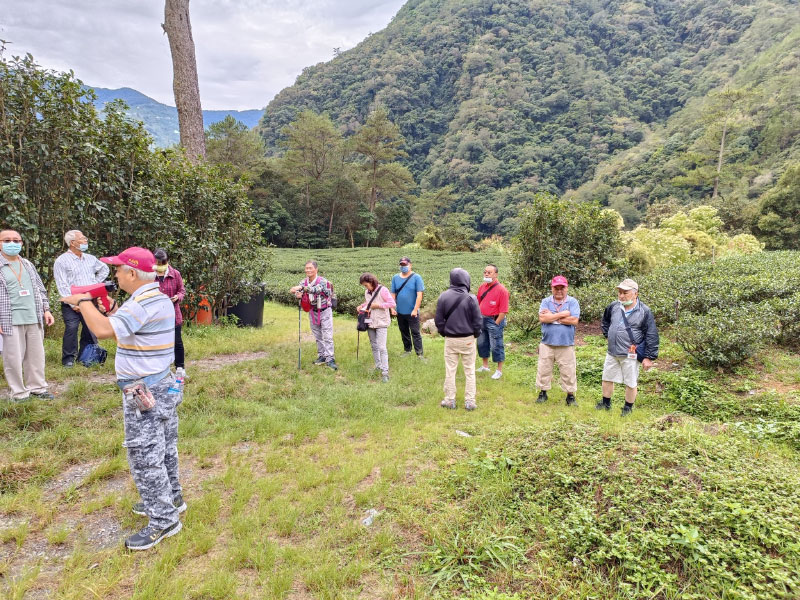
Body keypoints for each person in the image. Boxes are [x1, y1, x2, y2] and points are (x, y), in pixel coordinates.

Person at [61, 247, 184, 550]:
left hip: (144, 391)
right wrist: (110, 307)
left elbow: (104, 331)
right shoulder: (154, 297)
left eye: (117, 269)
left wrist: (86, 302)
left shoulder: (142, 303)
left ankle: (164, 520)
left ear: (131, 273)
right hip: (162, 384)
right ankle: (173, 498)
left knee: (144, 456)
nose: (114, 274)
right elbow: (127, 330)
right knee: (165, 448)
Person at [0, 229, 55, 401]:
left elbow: (40, 289)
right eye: (7, 240)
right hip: (9, 320)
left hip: (33, 316)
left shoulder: (28, 264)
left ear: (22, 243)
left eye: (16, 240)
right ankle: (18, 393)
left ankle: (38, 388)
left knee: (36, 356)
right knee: (13, 358)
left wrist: (46, 309)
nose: (12, 244)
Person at [598, 278, 659, 416]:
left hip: (630, 354)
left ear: (635, 293)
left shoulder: (644, 311)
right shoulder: (614, 306)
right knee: (607, 377)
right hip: (612, 351)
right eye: (619, 292)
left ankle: (627, 408)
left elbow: (651, 334)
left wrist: (649, 357)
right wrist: (608, 334)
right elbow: (605, 320)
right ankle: (605, 403)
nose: (621, 295)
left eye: (625, 292)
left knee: (631, 382)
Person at [53, 230, 109, 367]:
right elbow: (62, 284)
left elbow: (104, 269)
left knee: (90, 328)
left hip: (90, 299)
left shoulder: (90, 258)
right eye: (82, 239)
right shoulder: (62, 261)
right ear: (72, 243)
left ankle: (87, 357)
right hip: (71, 302)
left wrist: (94, 284)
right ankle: (69, 359)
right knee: (71, 328)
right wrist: (74, 304)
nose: (85, 241)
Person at [435, 268, 482, 411]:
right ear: (466, 280)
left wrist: (445, 333)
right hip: (468, 338)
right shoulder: (471, 298)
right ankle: (470, 401)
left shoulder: (443, 297)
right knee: (470, 370)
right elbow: (478, 321)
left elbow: (439, 320)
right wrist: (474, 334)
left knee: (450, 370)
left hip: (451, 339)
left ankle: (450, 400)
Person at [535, 275, 580, 405]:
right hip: (547, 342)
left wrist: (552, 316)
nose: (559, 290)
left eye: (562, 288)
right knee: (544, 369)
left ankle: (570, 396)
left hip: (566, 344)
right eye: (556, 288)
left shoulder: (572, 302)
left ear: (567, 288)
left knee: (568, 370)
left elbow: (574, 321)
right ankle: (543, 393)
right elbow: (543, 319)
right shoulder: (545, 301)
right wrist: (563, 314)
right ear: (552, 288)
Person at [290, 261, 337, 370]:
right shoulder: (303, 282)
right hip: (312, 311)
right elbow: (300, 294)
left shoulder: (323, 282)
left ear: (316, 269)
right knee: (318, 335)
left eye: (310, 268)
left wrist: (301, 288)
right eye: (306, 268)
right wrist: (298, 295)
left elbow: (316, 290)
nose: (308, 270)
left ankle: (330, 359)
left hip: (325, 311)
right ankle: (322, 356)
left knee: (327, 335)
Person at [153, 248, 186, 378]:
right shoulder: (149, 275)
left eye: (162, 264)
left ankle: (180, 367)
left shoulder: (175, 274)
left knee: (177, 342)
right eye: (157, 264)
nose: (159, 267)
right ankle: (160, 370)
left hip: (173, 315)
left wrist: (177, 297)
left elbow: (182, 290)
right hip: (156, 316)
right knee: (158, 343)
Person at [357, 273, 396, 383]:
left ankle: (385, 372)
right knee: (374, 346)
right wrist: (362, 306)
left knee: (382, 347)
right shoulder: (367, 292)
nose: (366, 288)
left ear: (372, 282)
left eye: (366, 285)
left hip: (382, 322)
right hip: (370, 321)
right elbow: (369, 303)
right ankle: (378, 365)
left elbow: (391, 303)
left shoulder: (383, 290)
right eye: (364, 286)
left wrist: (378, 305)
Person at [476, 264, 509, 379]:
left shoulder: (502, 290)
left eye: (489, 272)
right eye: (485, 272)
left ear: (496, 274)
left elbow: (504, 310)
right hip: (482, 319)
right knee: (482, 343)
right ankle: (485, 366)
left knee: (497, 345)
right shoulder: (482, 287)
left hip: (494, 320)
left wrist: (496, 322)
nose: (486, 274)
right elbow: (478, 302)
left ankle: (499, 370)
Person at [390, 257, 425, 358]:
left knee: (415, 332)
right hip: (400, 311)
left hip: (412, 312)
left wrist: (415, 309)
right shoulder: (395, 278)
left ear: (410, 265)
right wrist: (392, 308)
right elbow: (392, 294)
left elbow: (419, 295)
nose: (403, 266)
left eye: (405, 265)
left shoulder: (416, 277)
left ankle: (419, 354)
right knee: (404, 331)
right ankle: (407, 350)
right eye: (401, 265)